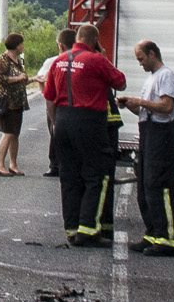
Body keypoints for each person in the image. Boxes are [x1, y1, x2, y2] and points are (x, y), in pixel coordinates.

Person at [38, 22, 123, 246]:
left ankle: (72, 228)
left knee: (69, 177)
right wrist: (102, 56)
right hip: (89, 121)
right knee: (98, 174)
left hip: (63, 121)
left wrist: (56, 124)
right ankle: (88, 228)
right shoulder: (95, 60)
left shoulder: (58, 61)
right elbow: (120, 82)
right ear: (94, 41)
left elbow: (49, 95)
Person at [130, 34, 174, 255]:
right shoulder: (151, 78)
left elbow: (165, 106)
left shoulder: (166, 76)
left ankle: (167, 239)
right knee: (145, 185)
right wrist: (132, 105)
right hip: (147, 132)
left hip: (161, 135)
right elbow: (147, 109)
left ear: (152, 54)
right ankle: (152, 232)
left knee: (159, 184)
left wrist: (141, 102)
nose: (140, 63)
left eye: (141, 58)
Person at [0, 32, 33, 177]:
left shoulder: (19, 60)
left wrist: (33, 79)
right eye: (21, 44)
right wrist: (18, 77)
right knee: (7, 133)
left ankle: (13, 164)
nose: (23, 46)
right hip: (6, 101)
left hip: (18, 102)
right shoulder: (3, 58)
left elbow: (22, 79)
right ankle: (0, 164)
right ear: (16, 45)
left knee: (15, 134)